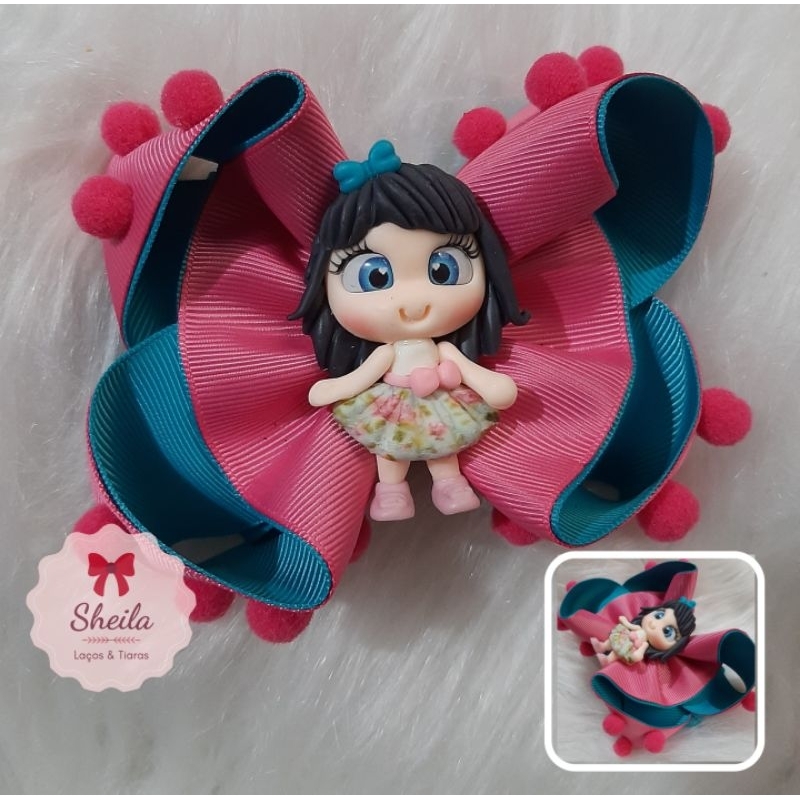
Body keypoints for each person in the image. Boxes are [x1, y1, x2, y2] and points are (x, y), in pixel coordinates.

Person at [290, 140, 528, 521]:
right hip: (391, 401)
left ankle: (449, 484)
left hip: (440, 400)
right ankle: (391, 491)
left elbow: (473, 373)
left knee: (443, 442)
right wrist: (335, 387)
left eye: (443, 270)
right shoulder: (384, 353)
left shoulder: (446, 351)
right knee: (388, 447)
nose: (413, 302)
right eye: (375, 277)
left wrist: (491, 384)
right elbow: (362, 377)